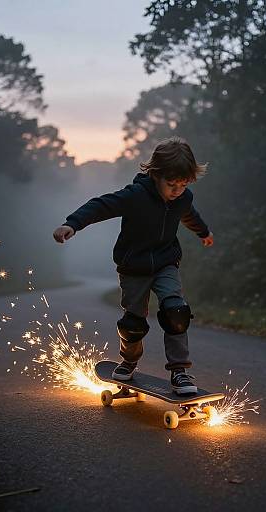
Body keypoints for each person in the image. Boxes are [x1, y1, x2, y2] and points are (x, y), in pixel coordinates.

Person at [53, 136, 213, 395]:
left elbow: (189, 215)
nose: (177, 191)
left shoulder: (182, 198)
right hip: (134, 267)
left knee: (176, 312)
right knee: (133, 324)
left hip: (165, 263)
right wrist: (72, 224)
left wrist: (203, 232)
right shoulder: (136, 195)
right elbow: (101, 205)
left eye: (183, 185)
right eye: (171, 184)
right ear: (155, 175)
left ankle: (179, 371)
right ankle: (128, 362)